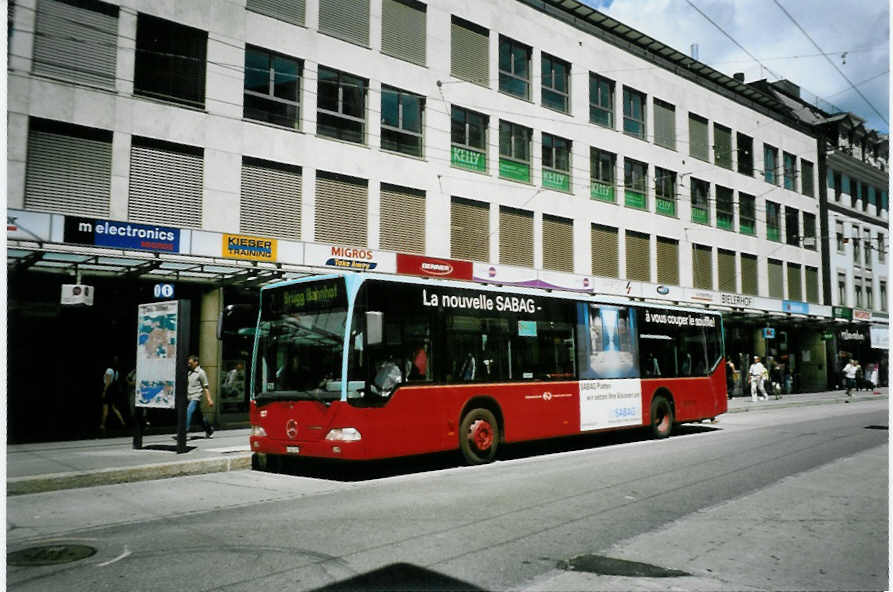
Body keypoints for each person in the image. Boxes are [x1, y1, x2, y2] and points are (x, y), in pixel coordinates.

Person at [186, 354, 214, 438]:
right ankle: (209, 430)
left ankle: (184, 431)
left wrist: (209, 399)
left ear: (196, 362)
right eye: (188, 363)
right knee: (199, 417)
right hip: (189, 396)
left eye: (190, 363)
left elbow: (206, 387)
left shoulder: (201, 372)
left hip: (196, 397)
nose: (189, 365)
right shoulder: (189, 372)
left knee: (189, 411)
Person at [99, 356, 126, 433]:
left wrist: (104, 391)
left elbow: (107, 382)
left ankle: (102, 425)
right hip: (113, 391)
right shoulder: (116, 372)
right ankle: (122, 422)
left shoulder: (109, 370)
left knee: (105, 409)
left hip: (108, 391)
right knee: (114, 408)